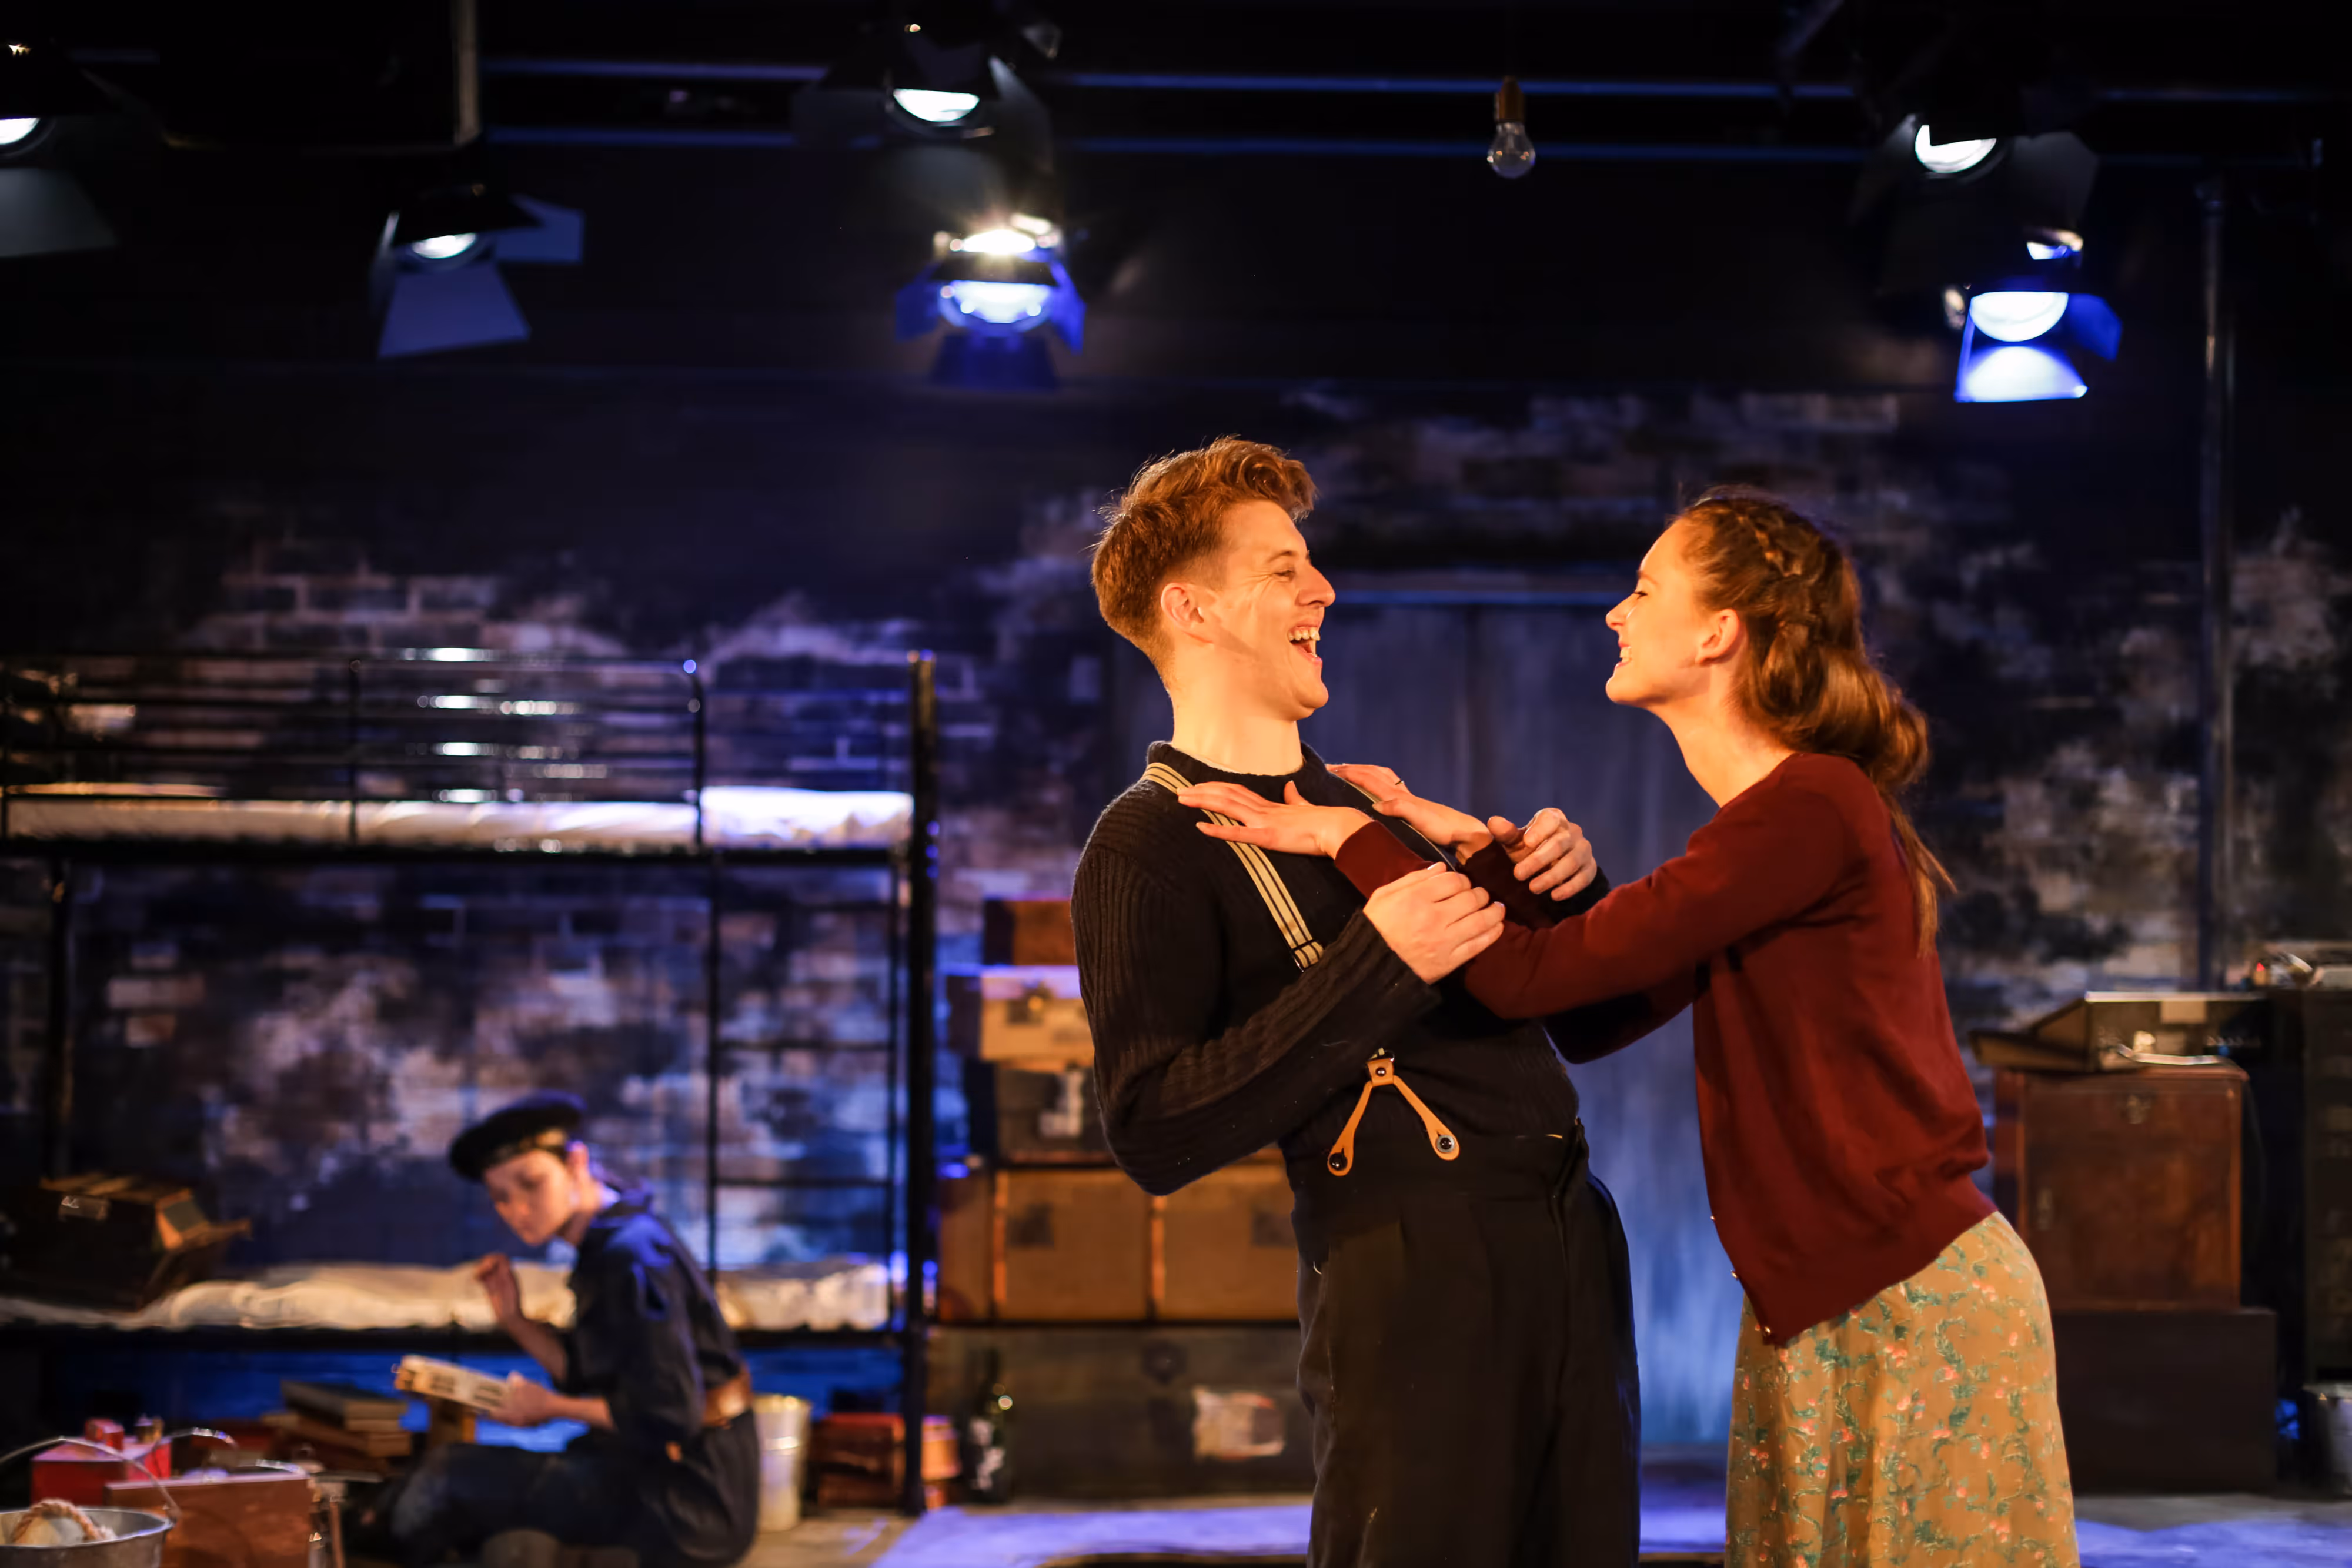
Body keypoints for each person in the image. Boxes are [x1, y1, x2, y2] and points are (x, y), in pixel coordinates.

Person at [1178, 487, 2079, 1568]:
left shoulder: (1809, 807)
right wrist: (1485, 851)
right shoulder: (1773, 827)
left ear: (1717, 633)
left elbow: (1524, 981)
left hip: (1906, 1295)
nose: (1616, 612)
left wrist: (1351, 840)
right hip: (1828, 1297)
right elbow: (1593, 1015)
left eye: (1645, 590)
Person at [1074, 436, 1643, 1567]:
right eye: (1282, 568)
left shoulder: (1373, 809)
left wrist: (1552, 888)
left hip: (1570, 1237)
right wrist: (1380, 959)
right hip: (1407, 1265)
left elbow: (1575, 1018)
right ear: (1192, 609)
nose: (1323, 589)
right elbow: (1153, 1128)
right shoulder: (1142, 844)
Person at [379, 1092, 759, 1568]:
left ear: (576, 1162)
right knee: (469, 1495)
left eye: (531, 1183)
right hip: (646, 1467)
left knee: (450, 1476)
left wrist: (550, 1407)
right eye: (501, 1197)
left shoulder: (632, 1256)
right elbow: (589, 1372)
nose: (518, 1208)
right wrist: (514, 1319)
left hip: (690, 1500)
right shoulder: (608, 1242)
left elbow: (669, 1413)